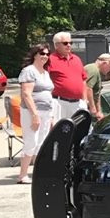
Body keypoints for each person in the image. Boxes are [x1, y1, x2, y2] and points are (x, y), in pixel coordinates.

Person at [16, 44, 56, 184]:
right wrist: (34, 115)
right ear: (34, 55)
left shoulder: (45, 72)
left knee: (42, 142)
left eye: (47, 54)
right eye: (41, 53)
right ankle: (22, 175)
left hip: (46, 111)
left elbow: (49, 93)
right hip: (32, 112)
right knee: (31, 141)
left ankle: (38, 173)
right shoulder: (29, 71)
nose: (45, 56)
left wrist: (51, 116)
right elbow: (26, 94)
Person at [46, 31, 93, 119]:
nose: (69, 45)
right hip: (59, 102)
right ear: (56, 45)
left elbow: (83, 80)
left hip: (78, 103)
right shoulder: (50, 60)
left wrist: (84, 99)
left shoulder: (76, 59)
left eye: (70, 43)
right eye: (65, 43)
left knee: (80, 129)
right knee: (60, 130)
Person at [83, 53, 110, 121]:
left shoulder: (97, 72)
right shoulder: (93, 70)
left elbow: (97, 93)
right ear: (104, 63)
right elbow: (88, 88)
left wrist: (99, 111)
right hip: (86, 108)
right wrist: (93, 108)